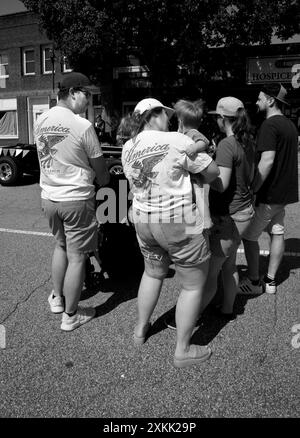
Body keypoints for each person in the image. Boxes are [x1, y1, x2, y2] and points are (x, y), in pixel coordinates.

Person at [121, 97, 219, 368]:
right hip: (178, 218)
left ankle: (140, 330)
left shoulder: (128, 147)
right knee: (193, 284)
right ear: (153, 115)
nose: (169, 118)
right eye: (165, 113)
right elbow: (210, 172)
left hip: (143, 219)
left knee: (152, 273)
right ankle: (182, 351)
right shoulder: (176, 141)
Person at [35, 72, 110, 331]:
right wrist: (106, 178)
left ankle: (57, 298)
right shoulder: (82, 126)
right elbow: (101, 171)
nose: (89, 100)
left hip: (49, 198)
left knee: (60, 247)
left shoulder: (40, 120)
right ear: (74, 93)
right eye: (87, 95)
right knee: (78, 257)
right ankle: (70, 315)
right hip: (76, 198)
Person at [238, 83, 299, 295]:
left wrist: (254, 187)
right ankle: (271, 281)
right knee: (277, 232)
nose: (257, 102)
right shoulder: (290, 125)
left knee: (249, 237)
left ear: (270, 100)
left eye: (260, 98)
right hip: (284, 193)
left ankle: (254, 282)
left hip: (269, 193)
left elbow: (267, 161)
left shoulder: (269, 125)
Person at [174, 99, 215, 230]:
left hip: (196, 175)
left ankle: (207, 221)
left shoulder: (192, 133)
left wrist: (195, 148)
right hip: (192, 173)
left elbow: (204, 141)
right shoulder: (183, 134)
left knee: (199, 195)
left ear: (180, 121)